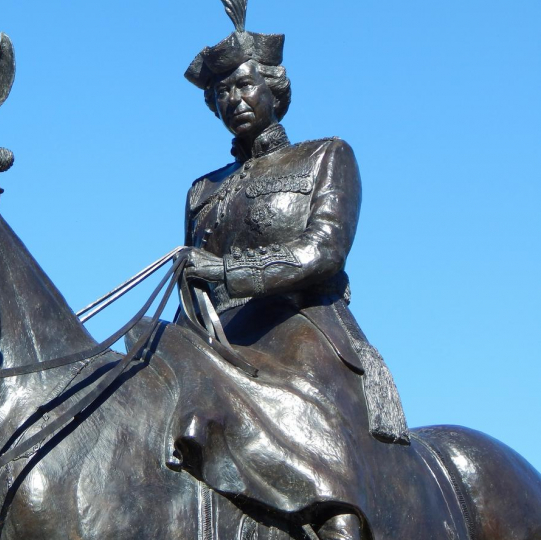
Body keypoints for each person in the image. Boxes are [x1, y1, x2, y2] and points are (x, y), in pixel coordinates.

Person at [176, 1, 409, 538]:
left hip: (306, 330)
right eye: (221, 93)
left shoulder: (326, 155)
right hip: (219, 343)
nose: (232, 98)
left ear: (275, 88)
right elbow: (191, 281)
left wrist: (231, 272)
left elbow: (325, 250)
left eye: (244, 85)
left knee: (312, 420)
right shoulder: (201, 190)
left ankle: (336, 511)